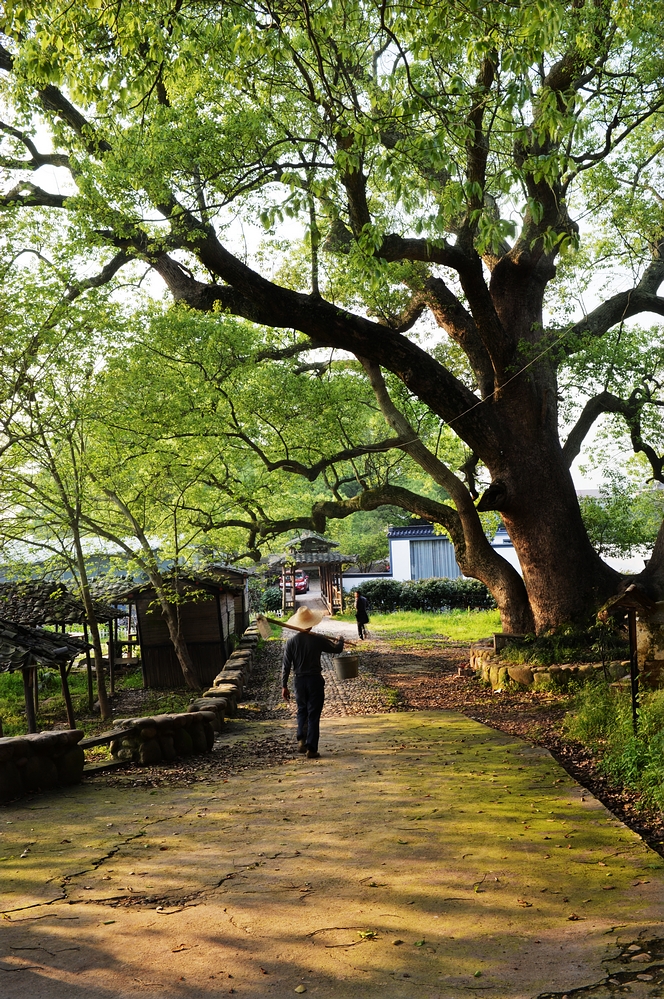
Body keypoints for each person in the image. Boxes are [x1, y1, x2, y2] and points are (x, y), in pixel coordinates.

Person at [281, 606, 344, 759]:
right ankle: (312, 748)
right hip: (315, 680)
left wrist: (284, 685)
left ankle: (301, 738)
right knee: (314, 713)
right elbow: (336, 650)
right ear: (311, 623)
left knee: (302, 710)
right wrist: (341, 640)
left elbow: (286, 665)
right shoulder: (317, 639)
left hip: (299, 681)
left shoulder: (291, 642)